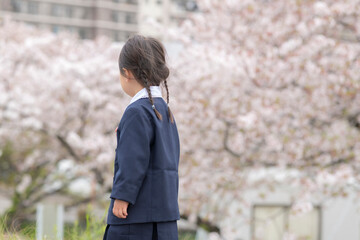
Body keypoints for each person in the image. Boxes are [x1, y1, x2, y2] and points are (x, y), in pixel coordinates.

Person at [103, 34, 180, 240]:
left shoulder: (137, 111)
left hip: (134, 219)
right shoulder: (164, 110)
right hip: (164, 218)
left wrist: (122, 196)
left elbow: (132, 159)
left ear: (126, 73)